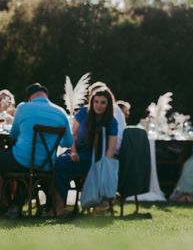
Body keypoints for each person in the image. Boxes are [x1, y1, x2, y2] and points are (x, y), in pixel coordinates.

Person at [0, 83, 73, 218]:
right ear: (46, 96)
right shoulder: (60, 112)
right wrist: (54, 139)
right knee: (28, 167)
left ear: (29, 98)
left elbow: (13, 135)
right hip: (47, 165)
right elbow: (68, 142)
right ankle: (15, 206)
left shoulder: (23, 108)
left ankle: (5, 205)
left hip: (21, 160)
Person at [52, 85, 118, 217]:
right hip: (78, 151)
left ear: (108, 104)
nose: (99, 105)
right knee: (57, 162)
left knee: (61, 164)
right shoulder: (83, 112)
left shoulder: (111, 121)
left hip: (95, 156)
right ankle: (58, 206)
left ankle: (59, 207)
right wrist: (73, 152)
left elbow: (111, 147)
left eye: (103, 102)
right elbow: (73, 135)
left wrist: (102, 167)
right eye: (96, 101)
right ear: (92, 101)